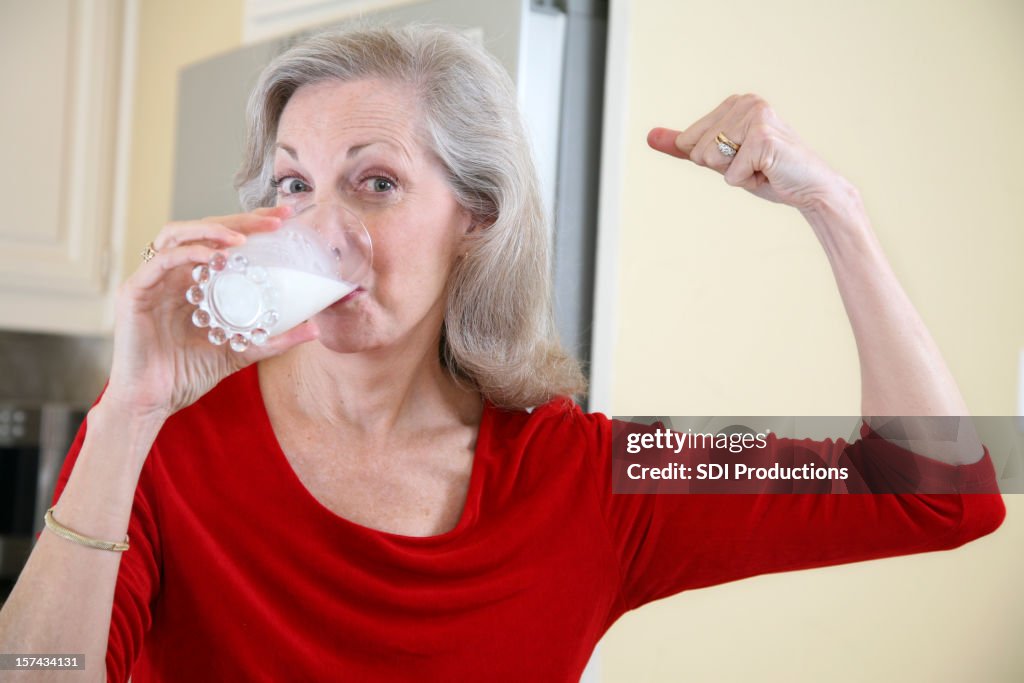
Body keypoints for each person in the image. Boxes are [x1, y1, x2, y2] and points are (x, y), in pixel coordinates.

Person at [0, 24, 1004, 682]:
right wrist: (128, 410)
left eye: (376, 183)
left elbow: (933, 492)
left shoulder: (588, 475)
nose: (319, 228)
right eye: (294, 184)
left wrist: (836, 209)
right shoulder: (162, 433)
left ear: (473, 218)